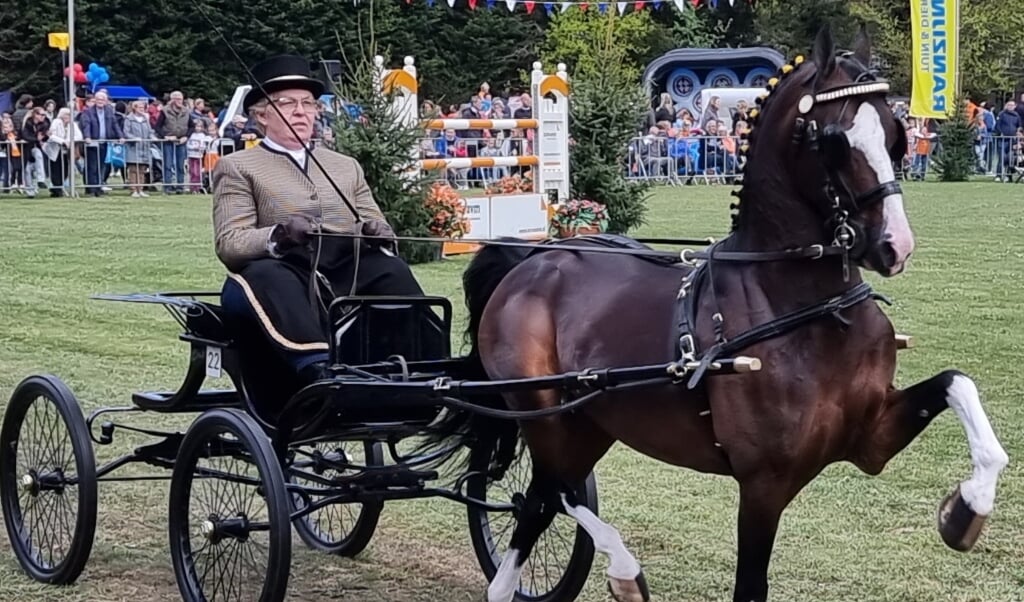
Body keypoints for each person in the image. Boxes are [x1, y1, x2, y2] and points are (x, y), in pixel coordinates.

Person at [211, 54, 424, 386]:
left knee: (391, 269)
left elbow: (376, 222)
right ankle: (316, 366)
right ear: (262, 116)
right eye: (288, 103)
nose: (300, 111)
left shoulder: (345, 165)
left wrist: (379, 232)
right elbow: (230, 243)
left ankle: (419, 364)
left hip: (344, 267)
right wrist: (280, 235)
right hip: (283, 269)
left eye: (308, 103)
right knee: (268, 275)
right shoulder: (239, 166)